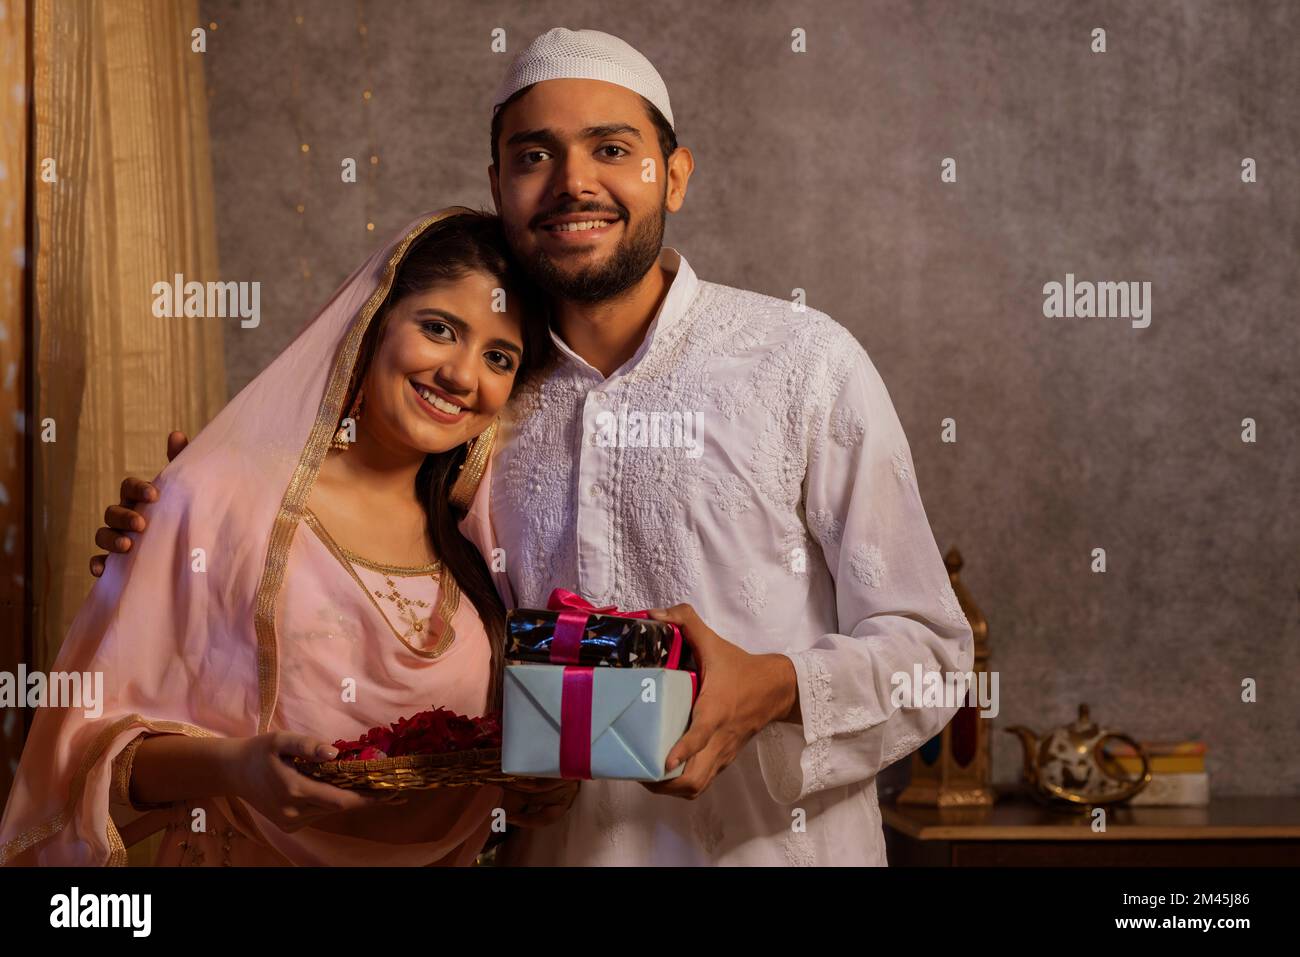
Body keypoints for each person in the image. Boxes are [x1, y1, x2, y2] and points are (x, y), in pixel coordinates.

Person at [90, 29, 975, 866]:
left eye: (611, 149)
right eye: (534, 155)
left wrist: (775, 687)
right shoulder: (475, 406)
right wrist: (197, 516)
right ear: (497, 183)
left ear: (674, 175)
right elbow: (354, 554)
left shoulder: (802, 364)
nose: (572, 182)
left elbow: (933, 656)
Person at [1, 208, 576, 866]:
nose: (461, 375)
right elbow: (81, 759)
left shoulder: (484, 542)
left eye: (498, 356)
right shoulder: (221, 496)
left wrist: (530, 787)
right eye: (439, 328)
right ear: (373, 322)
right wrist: (232, 768)